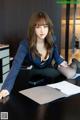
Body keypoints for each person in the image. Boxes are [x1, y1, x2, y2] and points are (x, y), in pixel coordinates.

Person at [0, 11, 79, 99]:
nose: (42, 30)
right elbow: (15, 66)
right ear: (33, 28)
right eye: (38, 27)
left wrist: (59, 60)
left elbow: (55, 49)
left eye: (45, 27)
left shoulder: (52, 38)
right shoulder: (25, 45)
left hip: (53, 62)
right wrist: (6, 88)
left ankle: (75, 63)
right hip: (38, 69)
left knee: (70, 74)